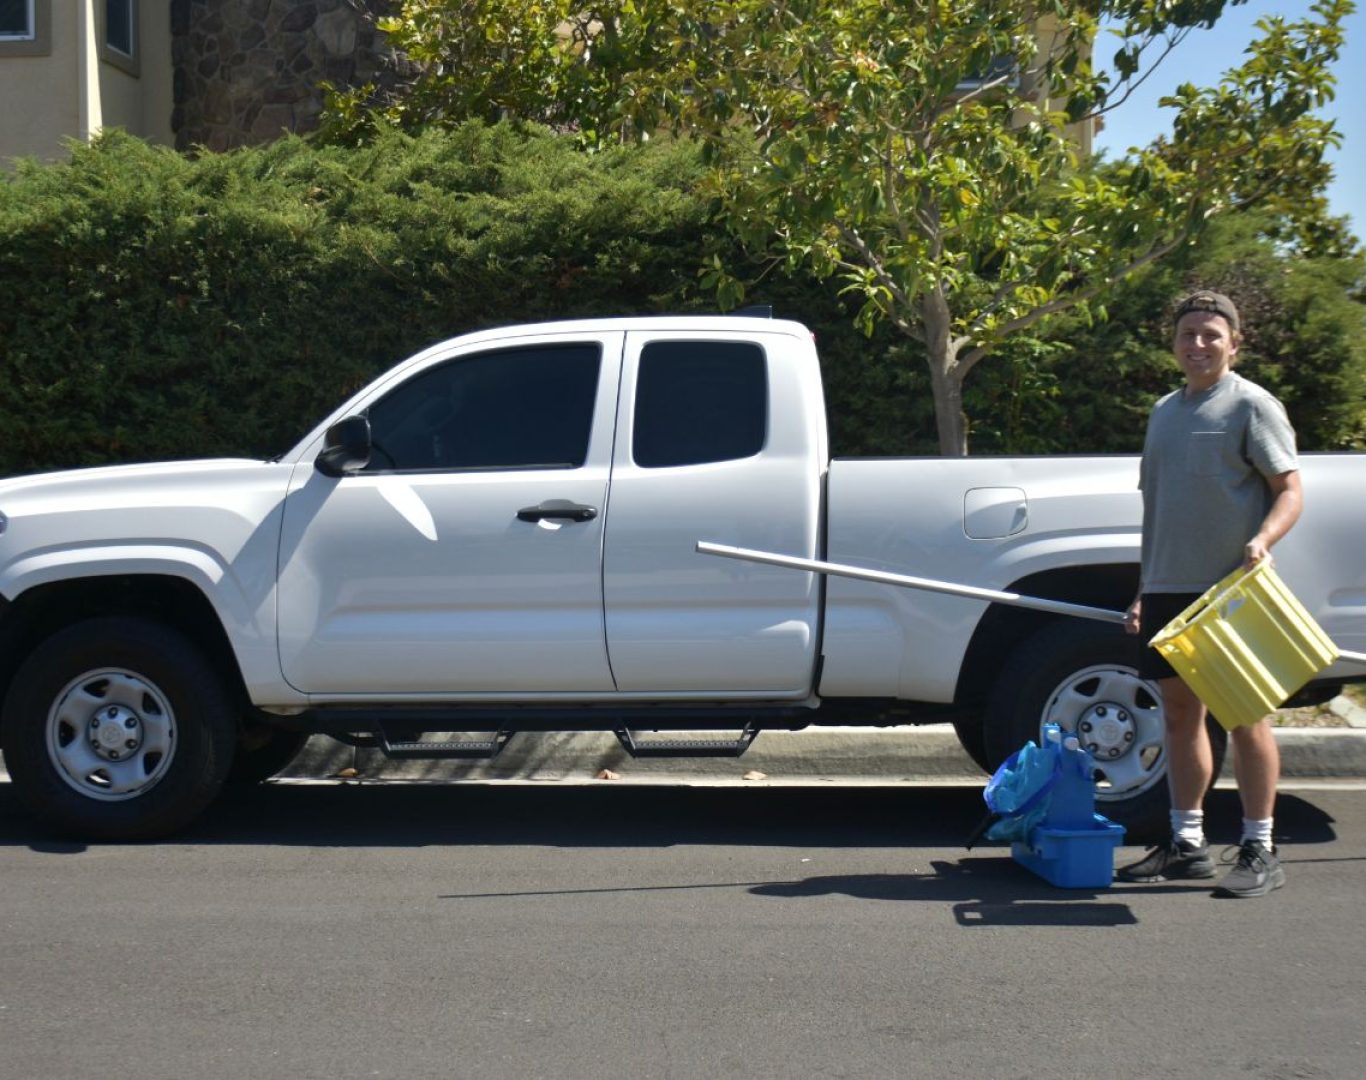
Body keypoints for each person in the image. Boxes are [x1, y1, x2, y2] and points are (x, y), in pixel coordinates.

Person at [1118, 290, 1302, 898]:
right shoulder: (1164, 411)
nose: (1198, 345)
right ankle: (1187, 842)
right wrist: (1145, 589)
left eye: (1210, 335)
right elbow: (1158, 511)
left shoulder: (1252, 405)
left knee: (1245, 717)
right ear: (1173, 343)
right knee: (1177, 714)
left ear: (1234, 343)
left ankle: (1259, 846)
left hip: (1231, 591)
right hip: (1168, 589)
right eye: (1188, 334)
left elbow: (1289, 490)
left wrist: (1263, 540)